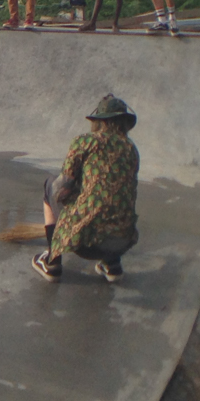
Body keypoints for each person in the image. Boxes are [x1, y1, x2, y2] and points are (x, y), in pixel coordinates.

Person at [31, 95, 141, 284]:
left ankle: (52, 262)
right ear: (124, 122)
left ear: (99, 122)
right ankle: (112, 264)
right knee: (113, 198)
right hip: (122, 241)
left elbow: (60, 191)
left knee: (49, 185)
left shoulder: (85, 142)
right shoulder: (131, 148)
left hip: (85, 243)